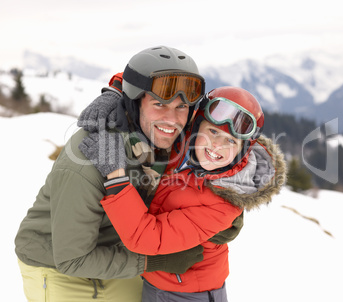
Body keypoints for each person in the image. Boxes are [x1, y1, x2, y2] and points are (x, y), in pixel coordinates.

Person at [14, 46, 242, 302]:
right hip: (59, 266)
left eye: (181, 107)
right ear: (135, 104)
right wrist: (154, 260)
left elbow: (239, 145)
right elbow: (72, 260)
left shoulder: (172, 137)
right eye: (159, 104)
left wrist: (227, 207)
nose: (172, 119)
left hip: (121, 250)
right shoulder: (89, 160)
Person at [81, 86, 287, 301]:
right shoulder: (182, 143)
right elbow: (148, 81)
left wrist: (115, 175)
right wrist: (113, 93)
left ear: (243, 150)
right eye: (213, 131)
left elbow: (146, 238)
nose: (216, 145)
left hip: (186, 294)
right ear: (196, 126)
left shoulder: (222, 205)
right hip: (157, 282)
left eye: (231, 141)